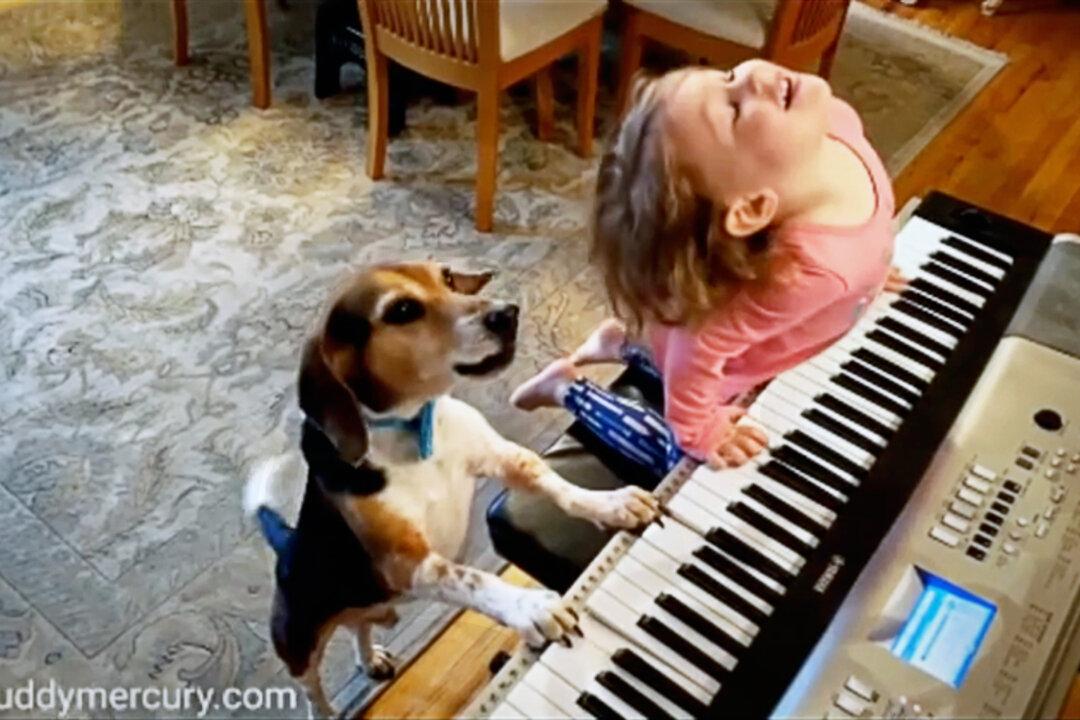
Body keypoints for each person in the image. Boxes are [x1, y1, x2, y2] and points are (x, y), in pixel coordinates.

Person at [511, 59, 904, 479]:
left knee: (676, 343)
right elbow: (697, 349)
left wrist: (870, 273)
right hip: (721, 367)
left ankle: (624, 342)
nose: (751, 75)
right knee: (672, 458)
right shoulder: (801, 272)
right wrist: (697, 432)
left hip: (711, 329)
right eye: (734, 109)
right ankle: (564, 387)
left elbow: (865, 223)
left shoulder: (836, 122)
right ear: (753, 207)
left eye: (728, 77)